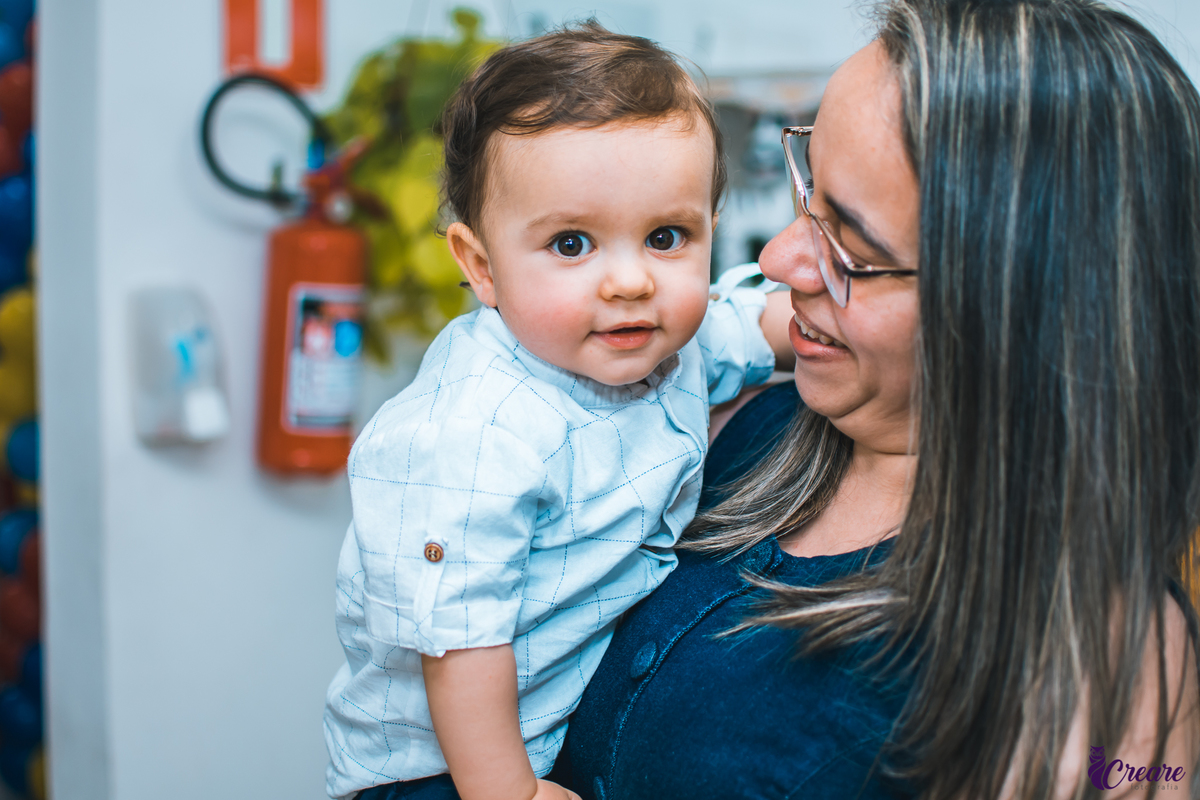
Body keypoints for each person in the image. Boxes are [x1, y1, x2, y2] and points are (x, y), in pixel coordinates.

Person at [551, 1, 1200, 798]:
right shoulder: (722, 430)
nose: (784, 259)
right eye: (808, 191)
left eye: (854, 250)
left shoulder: (1116, 669)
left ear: (1023, 306)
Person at [323, 22, 796, 800]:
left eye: (666, 236)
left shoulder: (667, 339)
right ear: (481, 266)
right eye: (573, 244)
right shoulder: (475, 431)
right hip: (440, 767)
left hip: (554, 723)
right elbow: (460, 645)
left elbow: (757, 325)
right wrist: (504, 790)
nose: (629, 281)